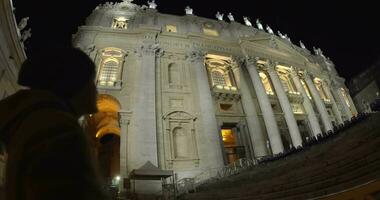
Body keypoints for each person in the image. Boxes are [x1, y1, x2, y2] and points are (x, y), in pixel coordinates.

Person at [0, 47, 107, 200]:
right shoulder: (60, 132)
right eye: (91, 81)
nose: (96, 90)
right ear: (74, 84)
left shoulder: (38, 122)